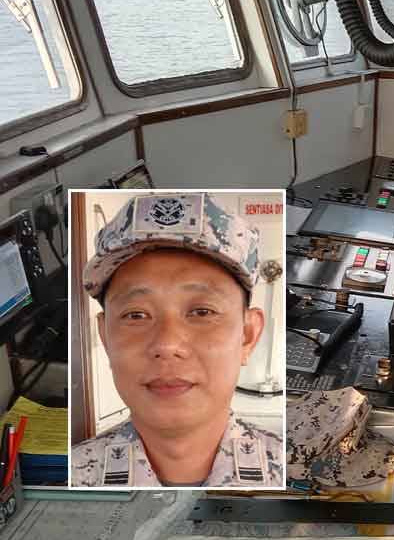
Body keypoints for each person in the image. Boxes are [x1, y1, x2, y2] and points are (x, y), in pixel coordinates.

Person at [71, 193, 284, 487]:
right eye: (136, 315)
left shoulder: (299, 473)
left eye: (201, 311)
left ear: (247, 335)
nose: (167, 344)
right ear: (105, 338)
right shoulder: (67, 480)